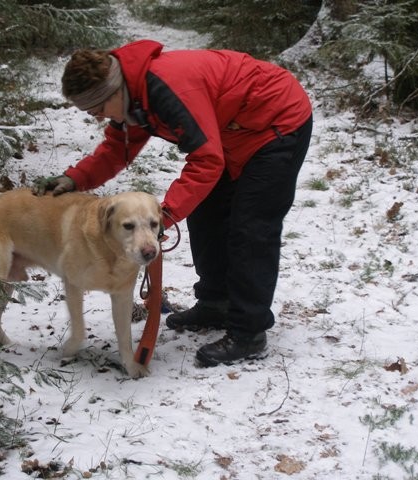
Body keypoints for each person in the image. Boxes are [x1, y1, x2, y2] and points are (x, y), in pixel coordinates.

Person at [33, 39, 312, 367]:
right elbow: (115, 150)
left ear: (113, 94)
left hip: (276, 123)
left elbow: (206, 160)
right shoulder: (133, 97)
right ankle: (215, 303)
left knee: (251, 227)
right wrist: (74, 179)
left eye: (96, 109)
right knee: (206, 215)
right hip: (230, 132)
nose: (96, 118)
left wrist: (163, 216)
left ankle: (248, 331)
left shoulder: (167, 89)